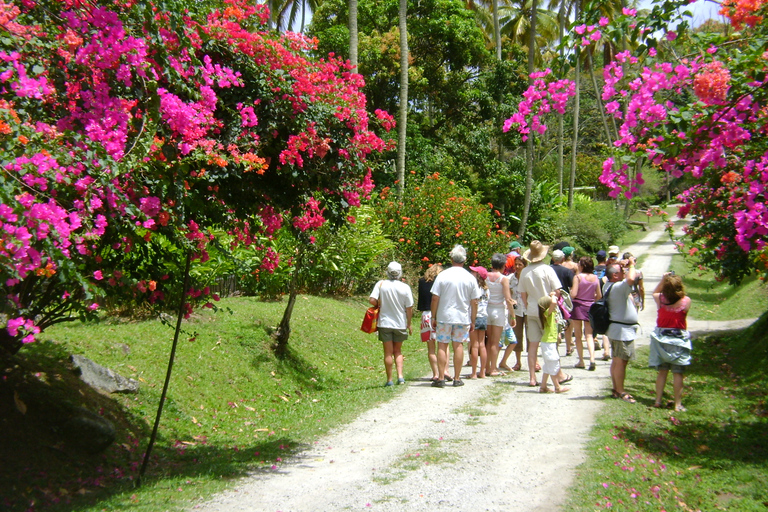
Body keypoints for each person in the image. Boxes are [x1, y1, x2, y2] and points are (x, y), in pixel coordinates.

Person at [519, 241, 572, 388]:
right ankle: (558, 375)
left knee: (532, 345)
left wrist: (527, 306)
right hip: (547, 310)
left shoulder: (524, 271)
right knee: (550, 344)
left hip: (531, 310)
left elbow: (523, 294)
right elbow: (557, 291)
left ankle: (532, 377)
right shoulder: (547, 270)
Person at [430, 245, 481, 388]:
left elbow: (435, 298)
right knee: (458, 345)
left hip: (444, 316)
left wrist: (433, 316)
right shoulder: (470, 278)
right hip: (462, 316)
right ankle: (457, 378)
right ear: (464, 260)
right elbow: (474, 301)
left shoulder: (443, 275)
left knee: (442, 344)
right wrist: (473, 319)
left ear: (451, 258)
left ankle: (440, 377)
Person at [650, 272, 692, 411]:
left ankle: (657, 400)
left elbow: (654, 292)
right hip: (678, 339)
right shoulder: (686, 301)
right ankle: (677, 404)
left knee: (662, 372)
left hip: (662, 339)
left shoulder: (661, 299)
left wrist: (662, 279)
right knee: (677, 372)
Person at [369, 262, 414, 387]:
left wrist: (379, 303)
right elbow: (409, 307)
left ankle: (389, 380)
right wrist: (409, 323)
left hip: (384, 323)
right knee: (398, 351)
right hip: (400, 323)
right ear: (400, 273)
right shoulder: (405, 287)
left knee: (388, 353)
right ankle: (400, 376)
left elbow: (371, 300)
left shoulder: (381, 284)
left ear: (387, 272)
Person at [603, 256, 639, 403]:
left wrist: (621, 265)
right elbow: (631, 279)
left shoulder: (609, 285)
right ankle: (620, 390)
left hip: (619, 328)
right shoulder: (617, 287)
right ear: (615, 275)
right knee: (620, 361)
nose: (624, 272)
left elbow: (624, 276)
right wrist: (631, 265)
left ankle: (616, 389)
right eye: (621, 271)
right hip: (621, 330)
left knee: (617, 360)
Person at [485, 253, 516, 377]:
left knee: (488, 342)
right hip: (498, 310)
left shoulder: (485, 277)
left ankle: (486, 367)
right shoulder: (504, 279)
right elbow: (508, 299)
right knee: (495, 342)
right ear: (503, 265)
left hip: (487, 309)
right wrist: (512, 316)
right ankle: (493, 368)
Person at [569, 256, 602, 371]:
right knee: (589, 335)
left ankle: (581, 360)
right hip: (590, 306)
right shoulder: (595, 278)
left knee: (578, 335)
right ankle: (592, 358)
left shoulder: (577, 277)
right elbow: (599, 296)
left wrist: (569, 292)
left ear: (582, 266)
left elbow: (573, 294)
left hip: (578, 306)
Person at [537, 294, 571, 393]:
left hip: (549, 342)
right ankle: (557, 387)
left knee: (548, 365)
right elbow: (554, 302)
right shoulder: (547, 313)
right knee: (553, 363)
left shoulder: (550, 314)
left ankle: (543, 387)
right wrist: (552, 295)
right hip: (548, 343)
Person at [500, 256, 527, 372]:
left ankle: (534, 361)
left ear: (525, 265)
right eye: (516, 264)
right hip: (516, 310)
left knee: (531, 335)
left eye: (520, 264)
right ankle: (518, 361)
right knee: (518, 335)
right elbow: (508, 293)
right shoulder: (510, 278)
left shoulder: (527, 278)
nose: (517, 267)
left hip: (528, 309)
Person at [418, 263, 444, 382]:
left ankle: (435, 373)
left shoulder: (422, 282)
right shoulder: (441, 283)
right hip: (438, 314)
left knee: (431, 348)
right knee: (443, 345)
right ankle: (444, 372)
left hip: (425, 315)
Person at [468, 265, 489, 379]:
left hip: (474, 317)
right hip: (484, 316)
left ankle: (474, 372)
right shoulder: (486, 289)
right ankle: (482, 372)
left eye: (474, 272)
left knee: (474, 345)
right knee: (482, 345)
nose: (472, 273)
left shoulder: (474, 288)